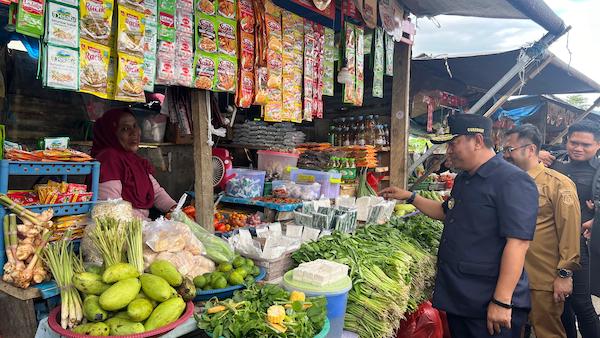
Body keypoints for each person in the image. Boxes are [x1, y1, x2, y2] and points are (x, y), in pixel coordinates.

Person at [381, 114, 539, 338]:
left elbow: (518, 243)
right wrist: (409, 197)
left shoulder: (511, 180)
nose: (449, 151)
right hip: (462, 298)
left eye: (453, 144)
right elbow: (446, 213)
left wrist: (502, 301)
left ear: (477, 140)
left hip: (488, 303)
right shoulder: (465, 179)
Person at [503, 124, 581, 338]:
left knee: (548, 332)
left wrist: (564, 274)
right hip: (508, 276)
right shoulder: (504, 182)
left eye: (510, 150)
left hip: (542, 278)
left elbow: (570, 232)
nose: (505, 155)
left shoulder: (557, 184)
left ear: (530, 150)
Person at [539, 120, 600, 338]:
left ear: (598, 145)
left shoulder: (598, 172)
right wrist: (538, 153)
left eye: (586, 145)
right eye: (574, 142)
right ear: (567, 142)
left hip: (581, 247)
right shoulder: (557, 165)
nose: (578, 148)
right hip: (552, 244)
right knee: (560, 302)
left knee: (582, 303)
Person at [92, 108, 177, 220]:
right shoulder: (108, 159)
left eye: (135, 126)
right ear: (111, 133)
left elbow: (156, 192)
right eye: (125, 128)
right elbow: (112, 206)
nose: (134, 133)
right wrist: (150, 224)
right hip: (122, 227)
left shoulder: (135, 161)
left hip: (141, 225)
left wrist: (176, 210)